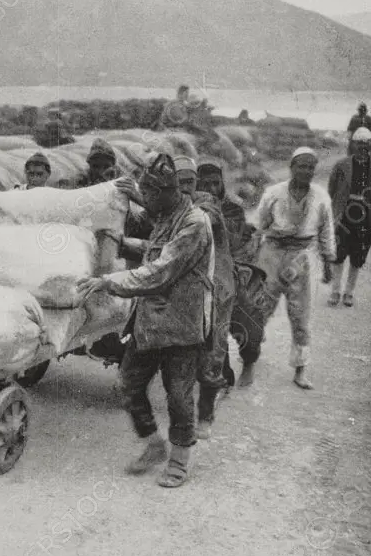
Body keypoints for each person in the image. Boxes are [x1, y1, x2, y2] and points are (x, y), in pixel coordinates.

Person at [76, 153, 214, 488]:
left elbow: (161, 270)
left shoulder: (194, 223)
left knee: (178, 396)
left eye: (150, 194)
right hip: (150, 322)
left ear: (170, 191)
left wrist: (110, 281)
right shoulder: (168, 216)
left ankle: (180, 461)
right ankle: (154, 444)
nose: (146, 201)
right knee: (128, 385)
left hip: (181, 325)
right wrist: (123, 242)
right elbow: (154, 249)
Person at [253, 147, 336, 390]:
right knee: (261, 306)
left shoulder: (321, 197)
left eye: (311, 167)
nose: (306, 171)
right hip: (272, 253)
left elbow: (326, 232)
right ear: (292, 167)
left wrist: (328, 262)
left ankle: (300, 370)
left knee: (301, 316)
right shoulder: (273, 193)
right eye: (301, 166)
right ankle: (251, 352)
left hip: (302, 257)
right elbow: (258, 226)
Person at [174, 157, 235, 439]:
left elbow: (202, 219)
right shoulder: (170, 206)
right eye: (179, 182)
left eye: (190, 181)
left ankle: (206, 413)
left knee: (213, 350)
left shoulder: (206, 203)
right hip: (188, 289)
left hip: (217, 288)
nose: (185, 187)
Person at [196, 158, 266, 390]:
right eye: (204, 184)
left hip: (230, 273)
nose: (211, 189)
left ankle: (248, 362)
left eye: (215, 183)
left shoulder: (233, 209)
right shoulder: (187, 208)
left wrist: (211, 214)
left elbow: (233, 240)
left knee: (247, 322)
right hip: (198, 275)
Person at [327, 127, 371, 308]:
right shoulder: (341, 165)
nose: (362, 146)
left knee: (358, 255)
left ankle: (349, 293)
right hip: (345, 215)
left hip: (366, 217)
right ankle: (335, 291)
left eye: (366, 143)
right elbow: (332, 189)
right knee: (339, 253)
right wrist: (337, 209)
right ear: (353, 144)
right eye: (359, 143)